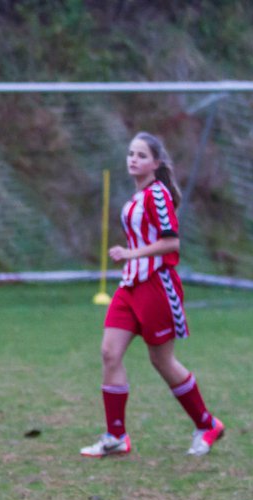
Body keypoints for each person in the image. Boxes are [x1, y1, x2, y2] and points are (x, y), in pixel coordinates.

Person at [81, 132, 225, 458]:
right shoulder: (136, 197)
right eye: (131, 153)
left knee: (162, 360)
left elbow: (172, 243)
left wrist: (131, 254)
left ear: (156, 164)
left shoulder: (157, 195)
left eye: (141, 155)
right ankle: (116, 436)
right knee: (109, 353)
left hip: (157, 286)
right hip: (129, 287)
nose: (133, 159)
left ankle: (207, 424)